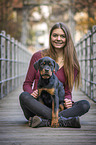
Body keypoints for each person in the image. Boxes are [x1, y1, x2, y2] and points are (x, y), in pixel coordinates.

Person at [19, 22, 90, 128]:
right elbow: (27, 84)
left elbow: (67, 91)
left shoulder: (72, 64)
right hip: (38, 105)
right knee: (24, 96)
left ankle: (44, 121)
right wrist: (31, 93)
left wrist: (68, 100)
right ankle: (64, 121)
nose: (58, 39)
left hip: (56, 105)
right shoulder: (38, 56)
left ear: (67, 39)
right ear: (50, 37)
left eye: (62, 36)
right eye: (55, 35)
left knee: (84, 105)